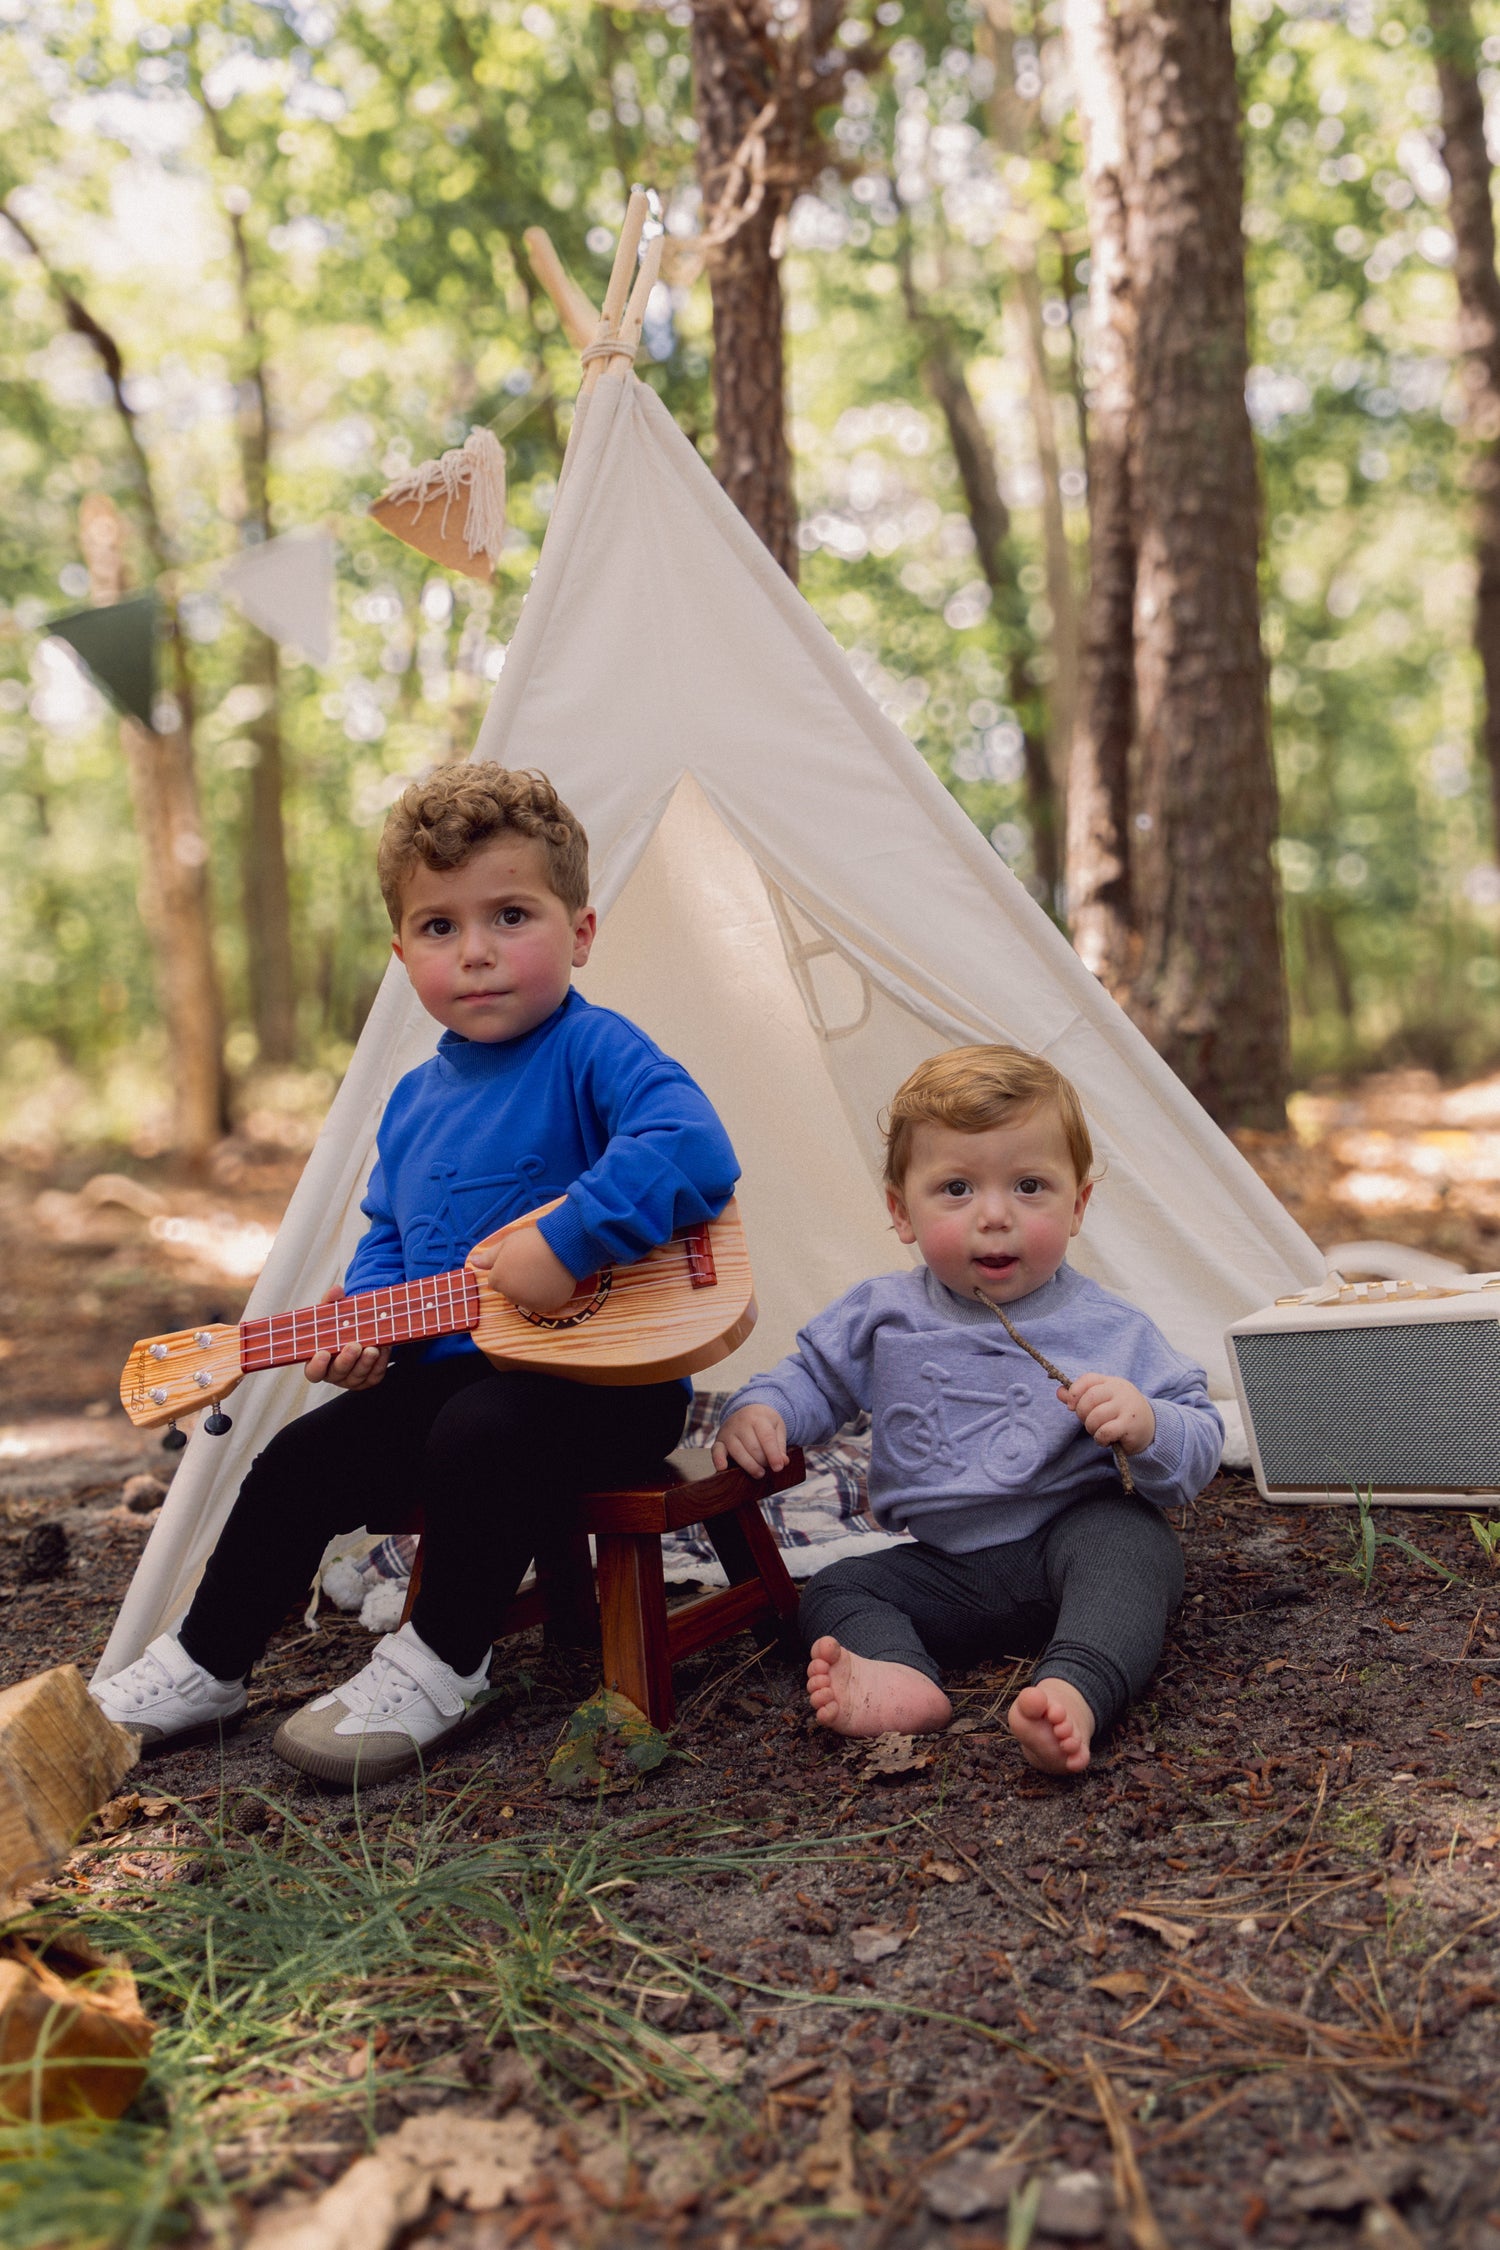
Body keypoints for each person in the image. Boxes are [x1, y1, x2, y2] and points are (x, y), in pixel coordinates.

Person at [92, 763, 738, 1784]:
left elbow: (693, 1147)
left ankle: (445, 1661)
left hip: (615, 1385)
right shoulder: (412, 1102)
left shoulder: (595, 1050)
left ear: (580, 932)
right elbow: (392, 1240)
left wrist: (569, 1240)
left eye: (511, 916)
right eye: (440, 927)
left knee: (481, 1428)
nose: (475, 951)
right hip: (456, 1377)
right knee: (301, 1456)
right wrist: (365, 1328)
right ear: (403, 956)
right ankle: (208, 1663)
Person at [712, 1045, 1221, 1774]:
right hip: (944, 1572)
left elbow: (1198, 1437)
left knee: (1135, 1547)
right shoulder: (883, 1316)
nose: (994, 1216)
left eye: (1029, 1186)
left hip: (1069, 1543)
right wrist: (765, 1409)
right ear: (901, 1212)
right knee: (835, 1588)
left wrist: (1149, 1424)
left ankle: (1076, 1688)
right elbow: (814, 1380)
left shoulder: (1111, 1328)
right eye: (956, 1188)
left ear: (1078, 1205)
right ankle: (900, 1676)